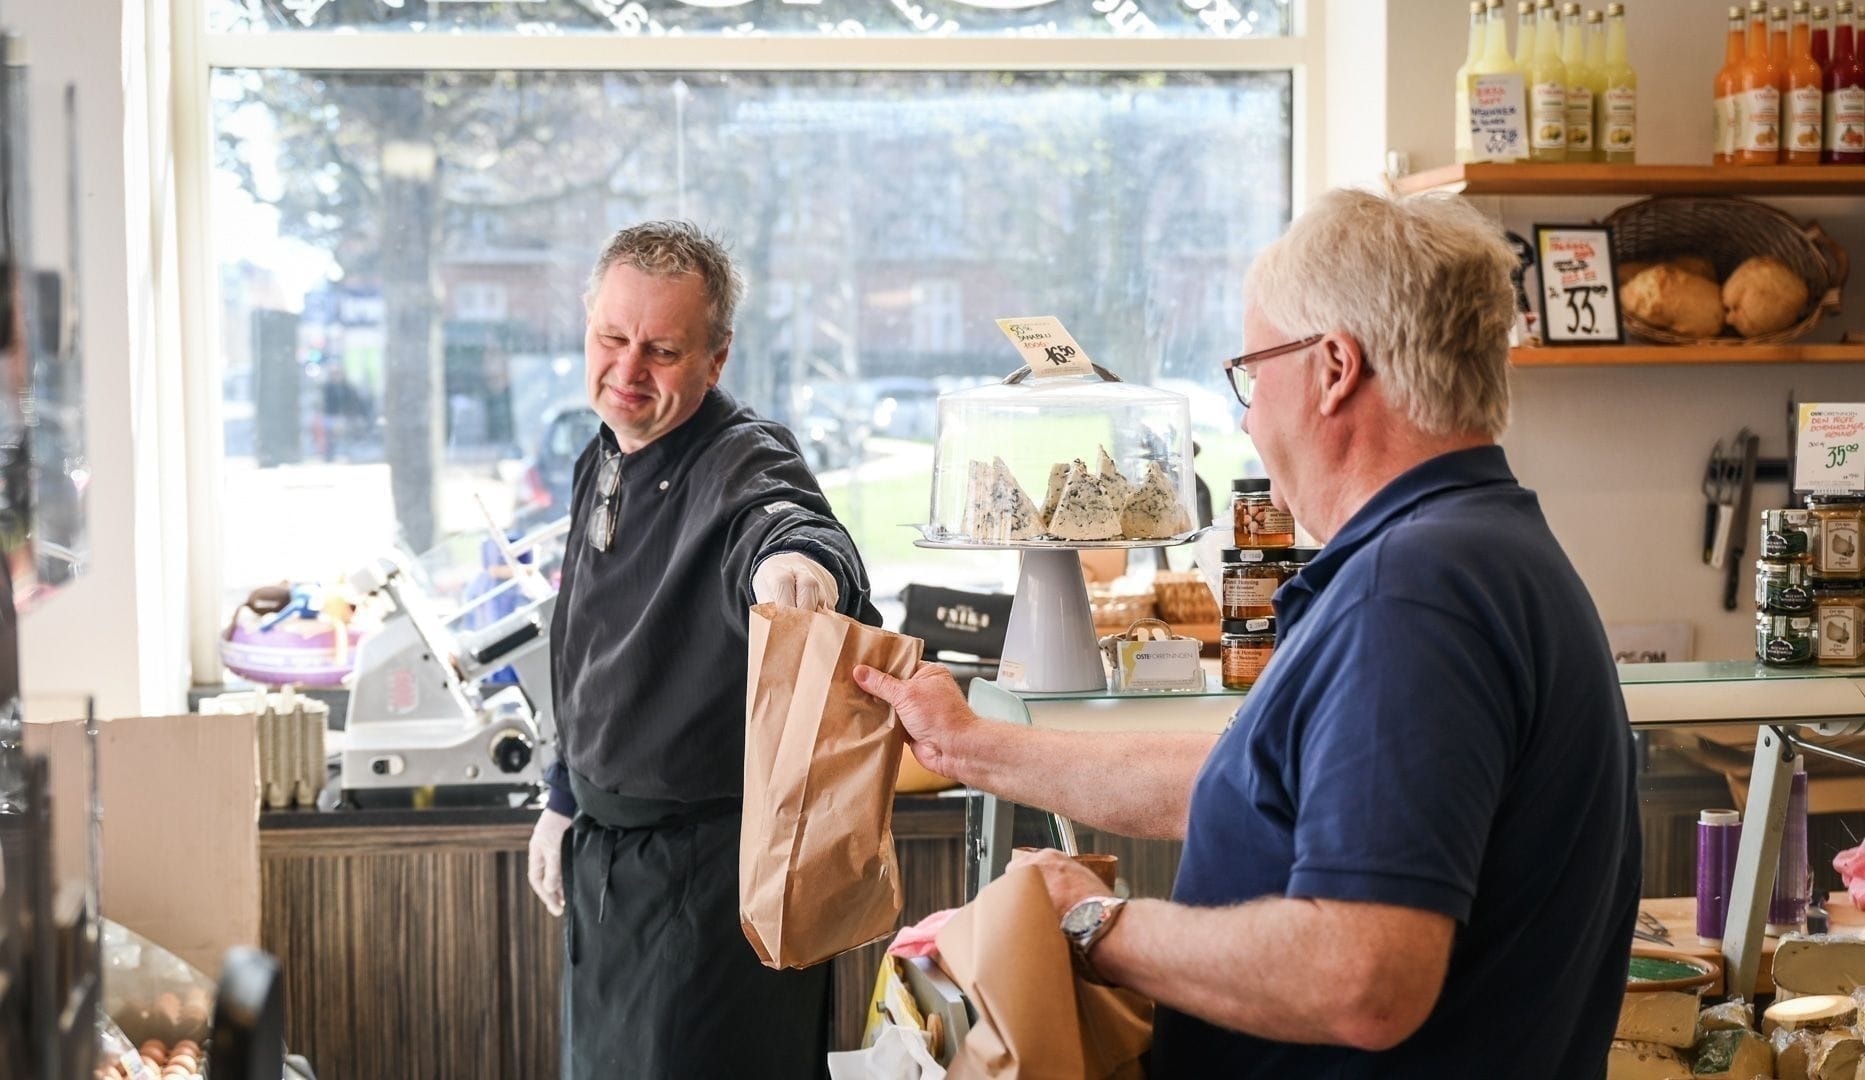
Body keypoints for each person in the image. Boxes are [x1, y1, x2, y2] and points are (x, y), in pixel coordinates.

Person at [854, 188, 1641, 1077]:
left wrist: (1092, 924)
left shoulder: (1412, 595)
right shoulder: (1480, 549)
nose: (1247, 418)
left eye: (1251, 374)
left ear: (1334, 366)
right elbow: (1246, 783)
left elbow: (1363, 979)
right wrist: (970, 746)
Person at [527, 221, 881, 1078]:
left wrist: (799, 564)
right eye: (611, 338)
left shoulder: (741, 459)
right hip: (608, 871)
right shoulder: (600, 453)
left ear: (715, 361)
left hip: (709, 889)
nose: (627, 371)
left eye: (662, 350)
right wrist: (564, 794)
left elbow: (784, 521)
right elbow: (588, 642)